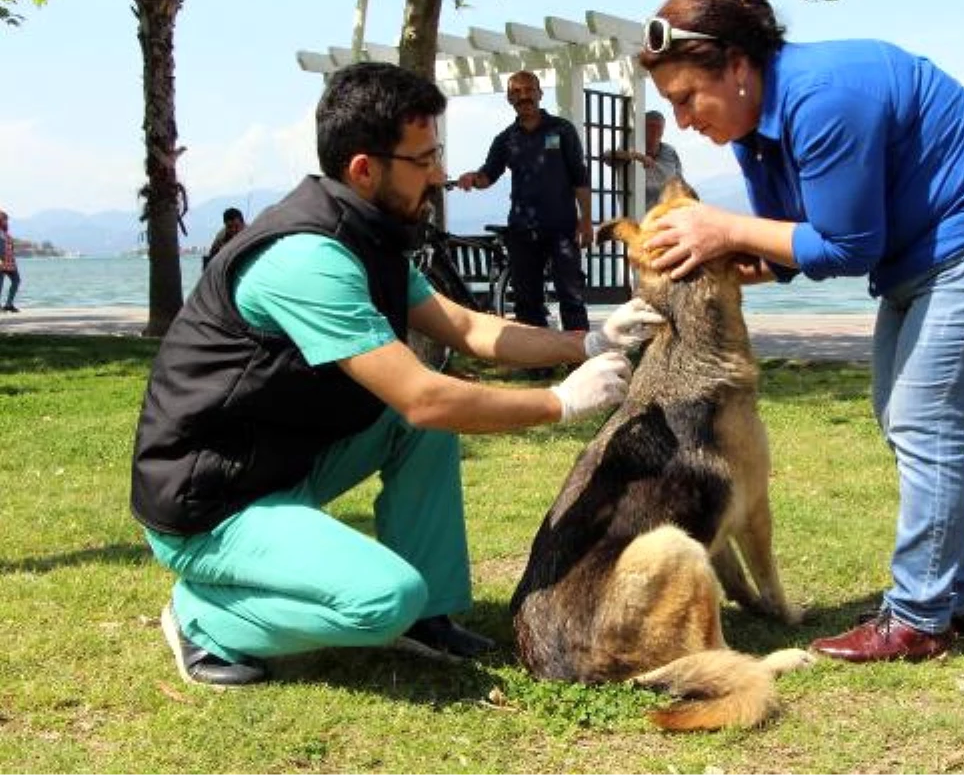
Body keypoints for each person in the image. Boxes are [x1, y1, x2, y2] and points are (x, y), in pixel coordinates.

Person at [130, 62, 664, 687]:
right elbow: (422, 397)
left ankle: (428, 617)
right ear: (365, 169)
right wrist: (559, 403)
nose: (439, 173)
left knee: (422, 433)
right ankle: (203, 617)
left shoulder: (364, 234)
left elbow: (465, 328)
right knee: (382, 598)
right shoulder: (308, 258)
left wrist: (586, 340)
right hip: (211, 502)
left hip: (277, 466)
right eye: (424, 158)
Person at [637, 0, 964, 663]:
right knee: (898, 411)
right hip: (925, 254)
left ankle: (919, 620)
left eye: (688, 97)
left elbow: (848, 246)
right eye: (673, 104)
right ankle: (958, 599)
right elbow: (795, 238)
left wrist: (723, 225)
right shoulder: (755, 129)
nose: (684, 118)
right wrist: (734, 260)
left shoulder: (824, 97)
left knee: (926, 419)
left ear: (737, 67)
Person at [456, 71, 594, 347]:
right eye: (516, 92)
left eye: (529, 90)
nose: (523, 96)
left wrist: (586, 221)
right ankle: (537, 361)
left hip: (562, 228)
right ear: (509, 99)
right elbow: (488, 176)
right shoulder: (505, 139)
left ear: (540, 93)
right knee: (527, 302)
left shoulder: (562, 130)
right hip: (522, 231)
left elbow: (580, 177)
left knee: (571, 296)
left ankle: (580, 358)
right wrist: (473, 177)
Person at [600, 109, 685, 208]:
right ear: (642, 128)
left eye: (659, 127)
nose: (655, 131)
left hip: (667, 213)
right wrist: (638, 156)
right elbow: (606, 156)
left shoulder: (670, 152)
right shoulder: (631, 148)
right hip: (638, 215)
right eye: (651, 126)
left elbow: (680, 180)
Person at [0, 210, 20, 312]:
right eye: (4, 219)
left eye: (6, 220)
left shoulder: (5, 233)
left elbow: (10, 247)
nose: (6, 222)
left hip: (10, 262)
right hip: (1, 262)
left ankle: (9, 304)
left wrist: (13, 259)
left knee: (16, 280)